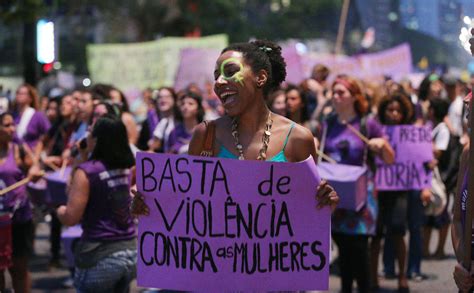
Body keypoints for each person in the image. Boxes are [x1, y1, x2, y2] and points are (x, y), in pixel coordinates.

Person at [131, 40, 338, 238]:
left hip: (276, 270)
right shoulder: (206, 136)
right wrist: (151, 205)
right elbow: (188, 206)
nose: (219, 82)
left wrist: (325, 201)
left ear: (261, 78)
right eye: (216, 76)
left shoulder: (297, 138)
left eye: (230, 72)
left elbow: (307, 210)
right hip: (221, 267)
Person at [320, 75, 395, 293]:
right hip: (336, 194)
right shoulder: (328, 123)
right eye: (333, 92)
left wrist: (381, 145)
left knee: (360, 249)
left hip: (361, 196)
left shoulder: (367, 123)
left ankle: (364, 287)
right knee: (343, 248)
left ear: (354, 97)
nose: (335, 96)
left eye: (341, 92)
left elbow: (390, 158)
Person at [57, 116, 137, 292]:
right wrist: (84, 156)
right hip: (130, 253)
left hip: (99, 255)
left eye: (90, 132)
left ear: (97, 139)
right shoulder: (127, 168)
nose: (87, 135)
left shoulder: (87, 172)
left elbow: (71, 217)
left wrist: (60, 211)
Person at [370, 92, 416, 292]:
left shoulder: (411, 133)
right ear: (383, 111)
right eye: (390, 110)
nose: (394, 114)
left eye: (398, 110)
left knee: (398, 231)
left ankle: (402, 277)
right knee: (376, 234)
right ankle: (372, 277)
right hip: (378, 189)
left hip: (399, 190)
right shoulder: (375, 130)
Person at [0, 112, 40, 293]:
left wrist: (34, 172)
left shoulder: (18, 150)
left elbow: (34, 168)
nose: (12, 129)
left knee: (19, 269)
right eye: (6, 125)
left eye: (12, 124)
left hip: (19, 218)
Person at [12, 84, 50, 155]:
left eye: (22, 93)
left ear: (30, 98)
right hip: (15, 155)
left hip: (30, 156)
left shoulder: (37, 115)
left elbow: (49, 133)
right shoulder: (13, 116)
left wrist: (40, 148)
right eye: (18, 93)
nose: (19, 95)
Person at [148, 87, 180, 153]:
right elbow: (154, 147)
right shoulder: (153, 119)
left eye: (167, 97)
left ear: (174, 100)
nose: (163, 100)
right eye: (160, 97)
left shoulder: (180, 119)